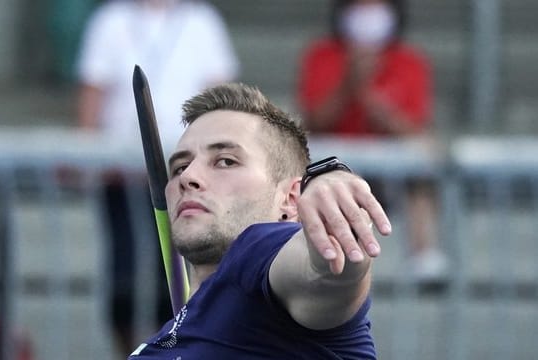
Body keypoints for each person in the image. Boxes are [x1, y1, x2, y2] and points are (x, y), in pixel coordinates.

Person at [128, 83, 392, 359]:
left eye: (226, 161)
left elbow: (328, 271)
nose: (187, 177)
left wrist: (331, 187)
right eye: (180, 167)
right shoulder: (165, 340)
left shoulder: (255, 253)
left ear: (292, 199)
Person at [74, 0, 239, 356]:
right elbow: (92, 93)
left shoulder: (201, 21)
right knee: (124, 275)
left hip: (186, 181)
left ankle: (178, 350)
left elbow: (222, 100)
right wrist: (90, 157)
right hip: (121, 179)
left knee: (179, 276)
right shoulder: (110, 19)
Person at [296, 0, 447, 281]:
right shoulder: (322, 56)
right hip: (339, 166)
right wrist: (348, 84)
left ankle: (424, 257)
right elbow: (314, 122)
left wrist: (370, 97)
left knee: (421, 179)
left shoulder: (409, 61)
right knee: (341, 183)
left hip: (393, 172)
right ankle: (341, 260)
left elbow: (414, 131)